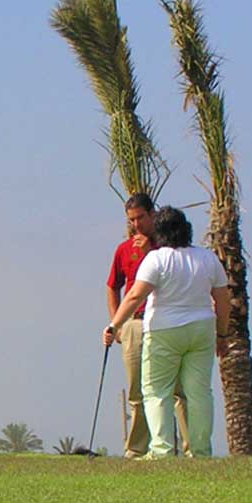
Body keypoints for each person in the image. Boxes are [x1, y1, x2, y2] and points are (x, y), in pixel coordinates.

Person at [103, 207, 231, 458]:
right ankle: (201, 451)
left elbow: (135, 295)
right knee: (199, 392)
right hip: (202, 329)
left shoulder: (156, 259)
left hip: (164, 330)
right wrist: (222, 335)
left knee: (156, 390)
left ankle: (161, 450)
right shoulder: (208, 258)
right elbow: (223, 300)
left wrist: (113, 325)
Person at [107, 193, 189, 458]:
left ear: (153, 215)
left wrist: (148, 253)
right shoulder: (123, 249)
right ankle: (137, 448)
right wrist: (117, 323)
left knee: (177, 387)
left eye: (141, 217)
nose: (137, 225)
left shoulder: (168, 246)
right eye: (132, 220)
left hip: (165, 321)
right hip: (134, 323)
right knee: (137, 388)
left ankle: (191, 448)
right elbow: (113, 285)